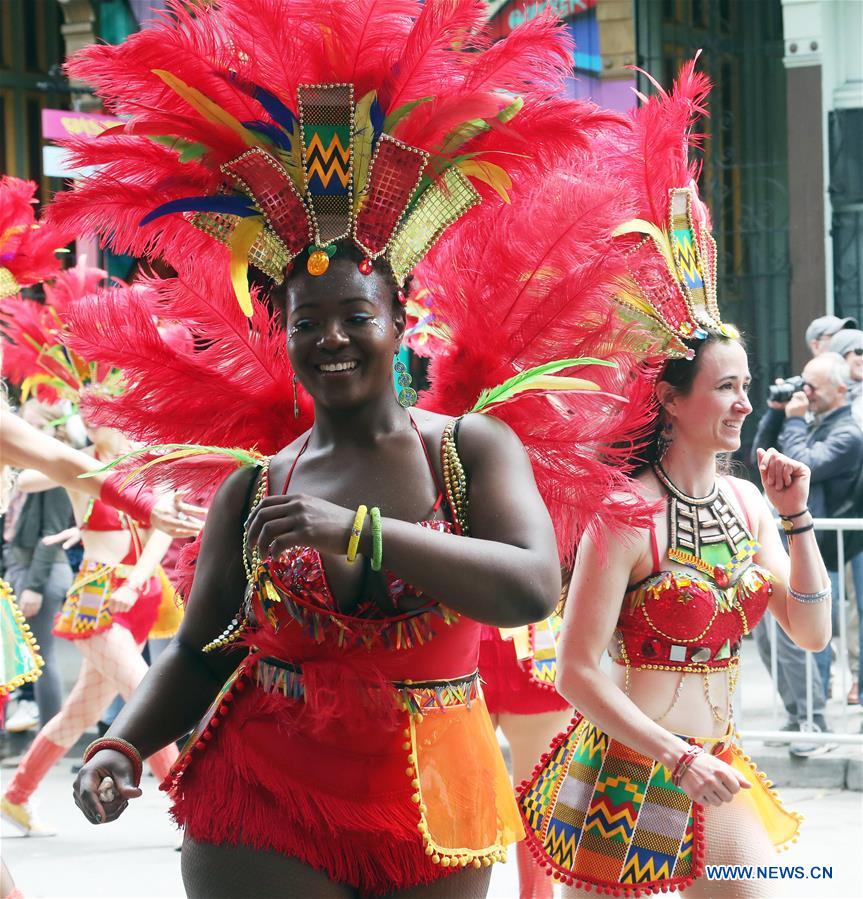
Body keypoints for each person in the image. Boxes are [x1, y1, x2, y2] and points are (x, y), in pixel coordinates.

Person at [517, 60, 832, 897]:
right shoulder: (625, 514)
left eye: (743, 383)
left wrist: (796, 523)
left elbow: (809, 635)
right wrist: (674, 755)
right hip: (625, 778)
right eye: (725, 387)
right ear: (670, 398)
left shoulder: (744, 502)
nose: (742, 401)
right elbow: (577, 670)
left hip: (715, 768)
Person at [751, 352, 863, 751]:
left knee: (805, 641)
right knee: (772, 639)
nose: (806, 393)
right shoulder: (809, 423)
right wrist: (778, 415)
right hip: (787, 543)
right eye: (805, 384)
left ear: (841, 389)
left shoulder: (848, 433)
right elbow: (763, 460)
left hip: (820, 553)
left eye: (813, 387)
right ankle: (797, 715)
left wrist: (795, 421)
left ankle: (813, 723)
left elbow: (802, 464)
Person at [2, 401, 74, 734]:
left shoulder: (51, 474)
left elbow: (52, 535)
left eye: (27, 423)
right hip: (21, 569)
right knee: (29, 659)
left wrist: (33, 585)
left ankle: (51, 737)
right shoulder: (23, 472)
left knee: (42, 659)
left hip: (41, 573)